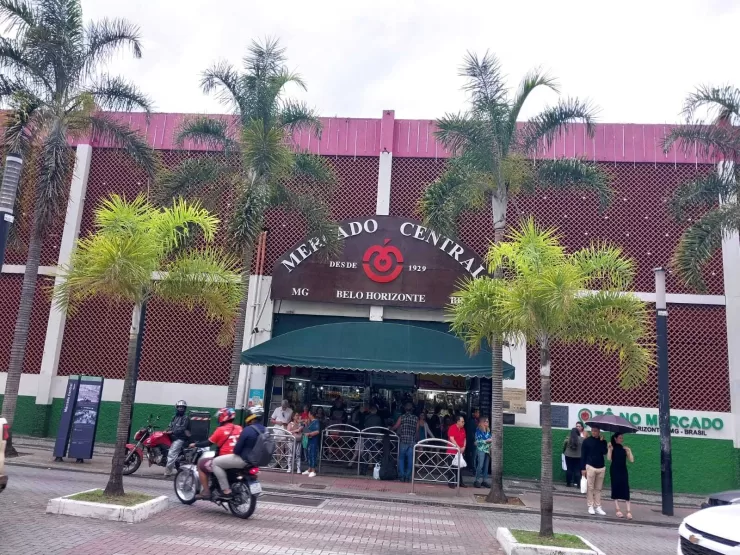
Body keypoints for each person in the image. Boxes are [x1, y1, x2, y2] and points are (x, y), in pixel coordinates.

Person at [189, 407, 241, 500]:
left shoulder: (220, 430)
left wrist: (195, 444)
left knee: (201, 465)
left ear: (223, 417)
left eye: (220, 415)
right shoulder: (239, 428)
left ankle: (206, 492)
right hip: (237, 458)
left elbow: (208, 442)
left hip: (224, 458)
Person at [211, 409, 266, 498]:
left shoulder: (248, 430)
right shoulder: (266, 430)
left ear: (251, 417)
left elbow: (237, 450)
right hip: (256, 462)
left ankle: (226, 490)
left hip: (244, 460)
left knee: (215, 463)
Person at [581, 425, 609, 515]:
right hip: (590, 466)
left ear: (599, 431)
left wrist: (602, 442)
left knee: (598, 488)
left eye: (595, 431)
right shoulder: (587, 441)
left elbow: (604, 452)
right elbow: (583, 455)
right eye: (592, 431)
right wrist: (582, 468)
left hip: (601, 467)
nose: (594, 432)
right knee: (590, 487)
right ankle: (590, 506)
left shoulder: (603, 441)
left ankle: (598, 506)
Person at [608, 433, 634, 520]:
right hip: (614, 470)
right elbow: (609, 459)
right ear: (615, 438)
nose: (621, 439)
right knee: (615, 488)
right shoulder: (612, 447)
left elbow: (631, 460)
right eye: (620, 438)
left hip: (623, 470)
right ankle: (617, 509)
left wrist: (629, 450)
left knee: (626, 488)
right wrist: (610, 449)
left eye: (622, 438)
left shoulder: (624, 449)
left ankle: (628, 511)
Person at [392, 402, 418, 482]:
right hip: (412, 441)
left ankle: (402, 476)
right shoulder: (416, 418)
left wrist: (390, 428)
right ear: (412, 409)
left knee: (401, 459)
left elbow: (396, 426)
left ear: (405, 409)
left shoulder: (402, 417)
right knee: (410, 459)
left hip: (403, 440)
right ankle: (408, 476)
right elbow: (417, 432)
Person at [165, 400, 190, 477]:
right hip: (172, 437)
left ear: (185, 409)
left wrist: (172, 432)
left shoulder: (185, 418)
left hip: (179, 438)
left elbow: (182, 428)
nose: (181, 409)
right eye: (179, 407)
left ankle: (168, 472)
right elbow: (170, 425)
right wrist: (167, 430)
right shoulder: (174, 417)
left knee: (171, 454)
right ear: (177, 408)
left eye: (182, 407)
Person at [447, 415, 467, 488]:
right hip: (452, 451)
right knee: (451, 467)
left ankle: (460, 482)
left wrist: (464, 447)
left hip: (460, 451)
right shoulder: (452, 428)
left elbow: (465, 438)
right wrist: (457, 447)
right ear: (458, 422)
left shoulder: (463, 429)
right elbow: (452, 438)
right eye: (462, 421)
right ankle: (451, 483)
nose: (463, 423)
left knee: (460, 468)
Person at [473, 417, 492, 488]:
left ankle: (485, 480)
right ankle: (477, 480)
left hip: (487, 450)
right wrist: (486, 441)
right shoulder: (478, 431)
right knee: (480, 465)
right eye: (486, 421)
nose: (487, 423)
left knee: (486, 466)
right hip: (481, 449)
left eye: (487, 421)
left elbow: (490, 439)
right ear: (482, 422)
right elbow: (477, 442)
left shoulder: (488, 431)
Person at [303, 410, 321, 477]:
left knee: (313, 454)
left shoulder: (316, 421)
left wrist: (310, 434)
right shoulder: (310, 422)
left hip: (314, 440)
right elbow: (306, 430)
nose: (308, 415)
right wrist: (305, 424)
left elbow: (317, 431)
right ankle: (309, 469)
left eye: (309, 414)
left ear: (311, 415)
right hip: (309, 440)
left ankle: (313, 470)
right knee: (309, 454)